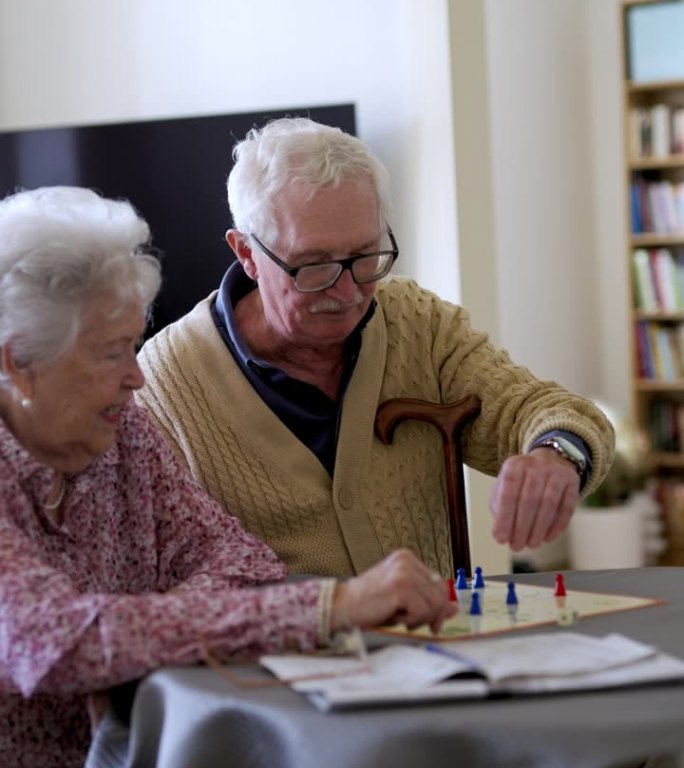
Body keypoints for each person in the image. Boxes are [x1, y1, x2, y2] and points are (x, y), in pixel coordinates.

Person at [0, 186, 455, 768]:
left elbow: (243, 564)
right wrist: (325, 608)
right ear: (20, 362)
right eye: (111, 353)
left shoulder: (123, 437)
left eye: (134, 346)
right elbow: (56, 643)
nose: (136, 377)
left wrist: (130, 646)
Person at [136, 117, 615, 579]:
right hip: (274, 658)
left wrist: (556, 455)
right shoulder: (164, 384)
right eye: (314, 266)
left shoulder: (416, 322)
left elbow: (542, 410)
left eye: (366, 256)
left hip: (435, 650)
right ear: (247, 254)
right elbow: (153, 575)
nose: (348, 294)